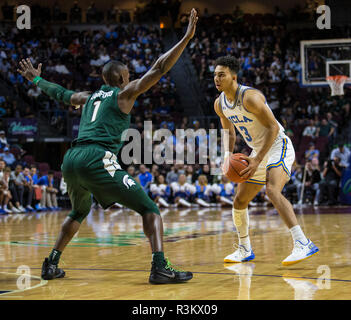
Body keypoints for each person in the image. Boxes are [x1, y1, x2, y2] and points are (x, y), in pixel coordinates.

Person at [17, 9, 198, 284]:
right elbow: (159, 68)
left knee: (78, 210)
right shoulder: (125, 94)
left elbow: (62, 94)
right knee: (150, 209)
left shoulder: (89, 97)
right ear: (122, 78)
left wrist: (36, 79)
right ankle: (160, 266)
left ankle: (50, 263)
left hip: (71, 158)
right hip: (96, 157)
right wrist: (185, 38)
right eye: (128, 75)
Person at [213, 55, 319, 266]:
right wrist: (226, 157)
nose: (216, 79)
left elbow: (273, 128)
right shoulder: (219, 104)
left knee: (272, 190)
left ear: (233, 77)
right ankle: (244, 249)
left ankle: (302, 242)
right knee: (239, 201)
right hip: (258, 150)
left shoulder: (250, 97)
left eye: (221, 75)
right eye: (215, 75)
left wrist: (257, 159)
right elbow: (229, 134)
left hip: (278, 144)